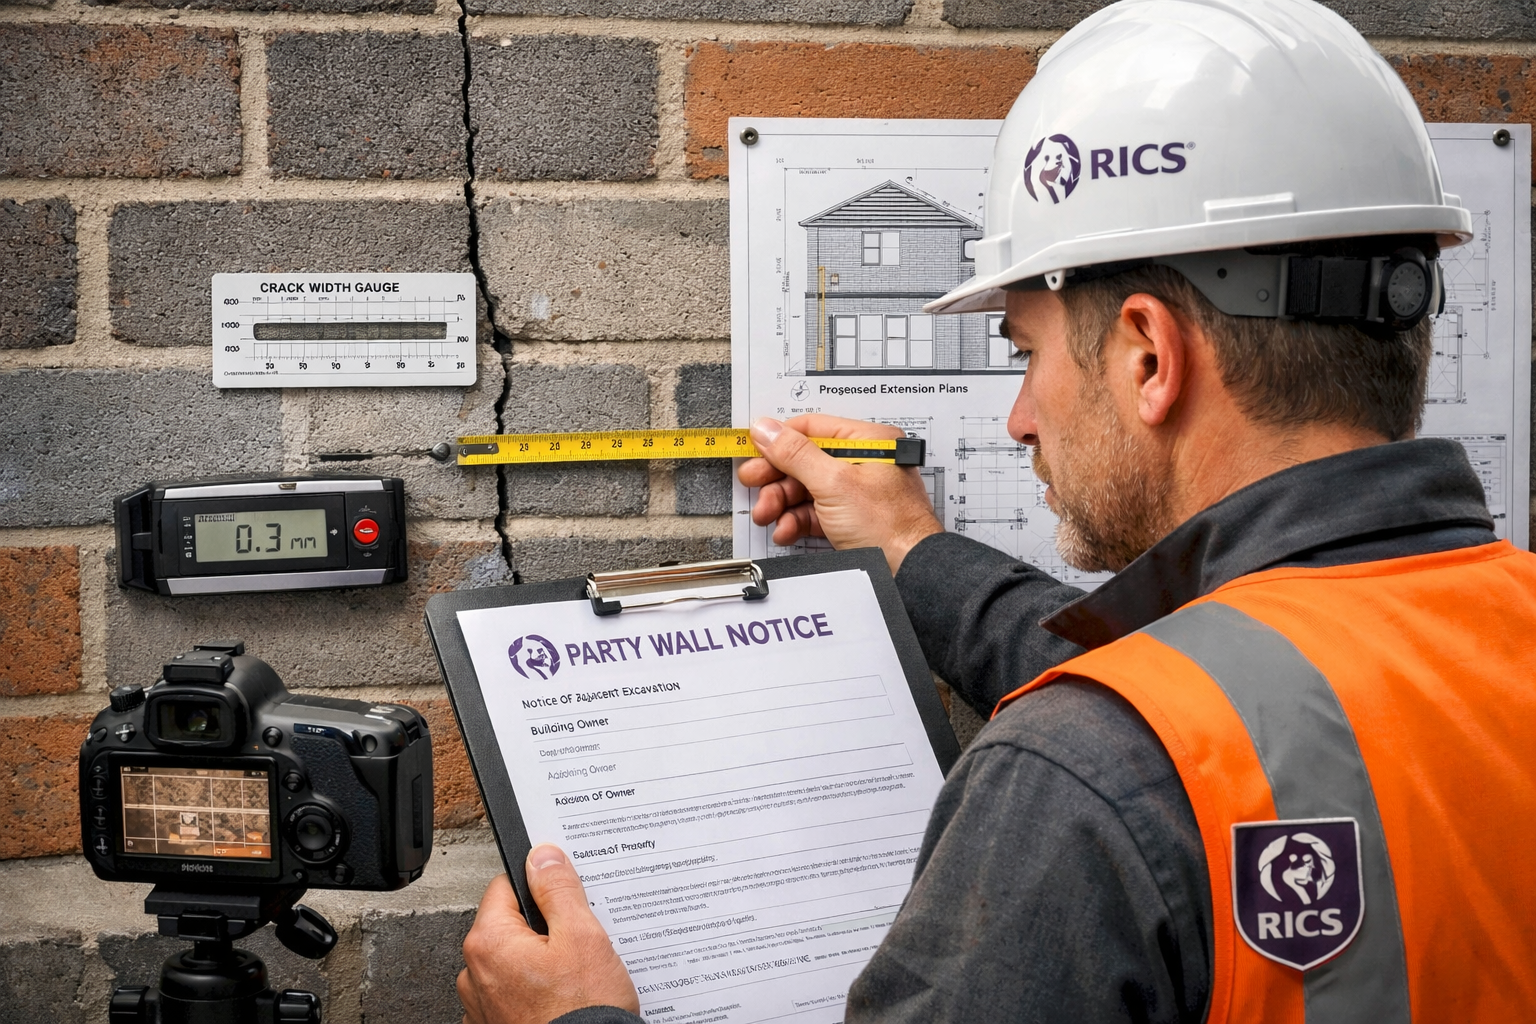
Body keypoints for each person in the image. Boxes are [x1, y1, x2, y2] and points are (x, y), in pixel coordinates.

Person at [456, 0, 1536, 1020]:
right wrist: (912, 551)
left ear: (1150, 356)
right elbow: (1236, 698)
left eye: (1026, 354)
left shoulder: (1073, 777)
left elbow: (1161, 741)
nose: (1019, 417)